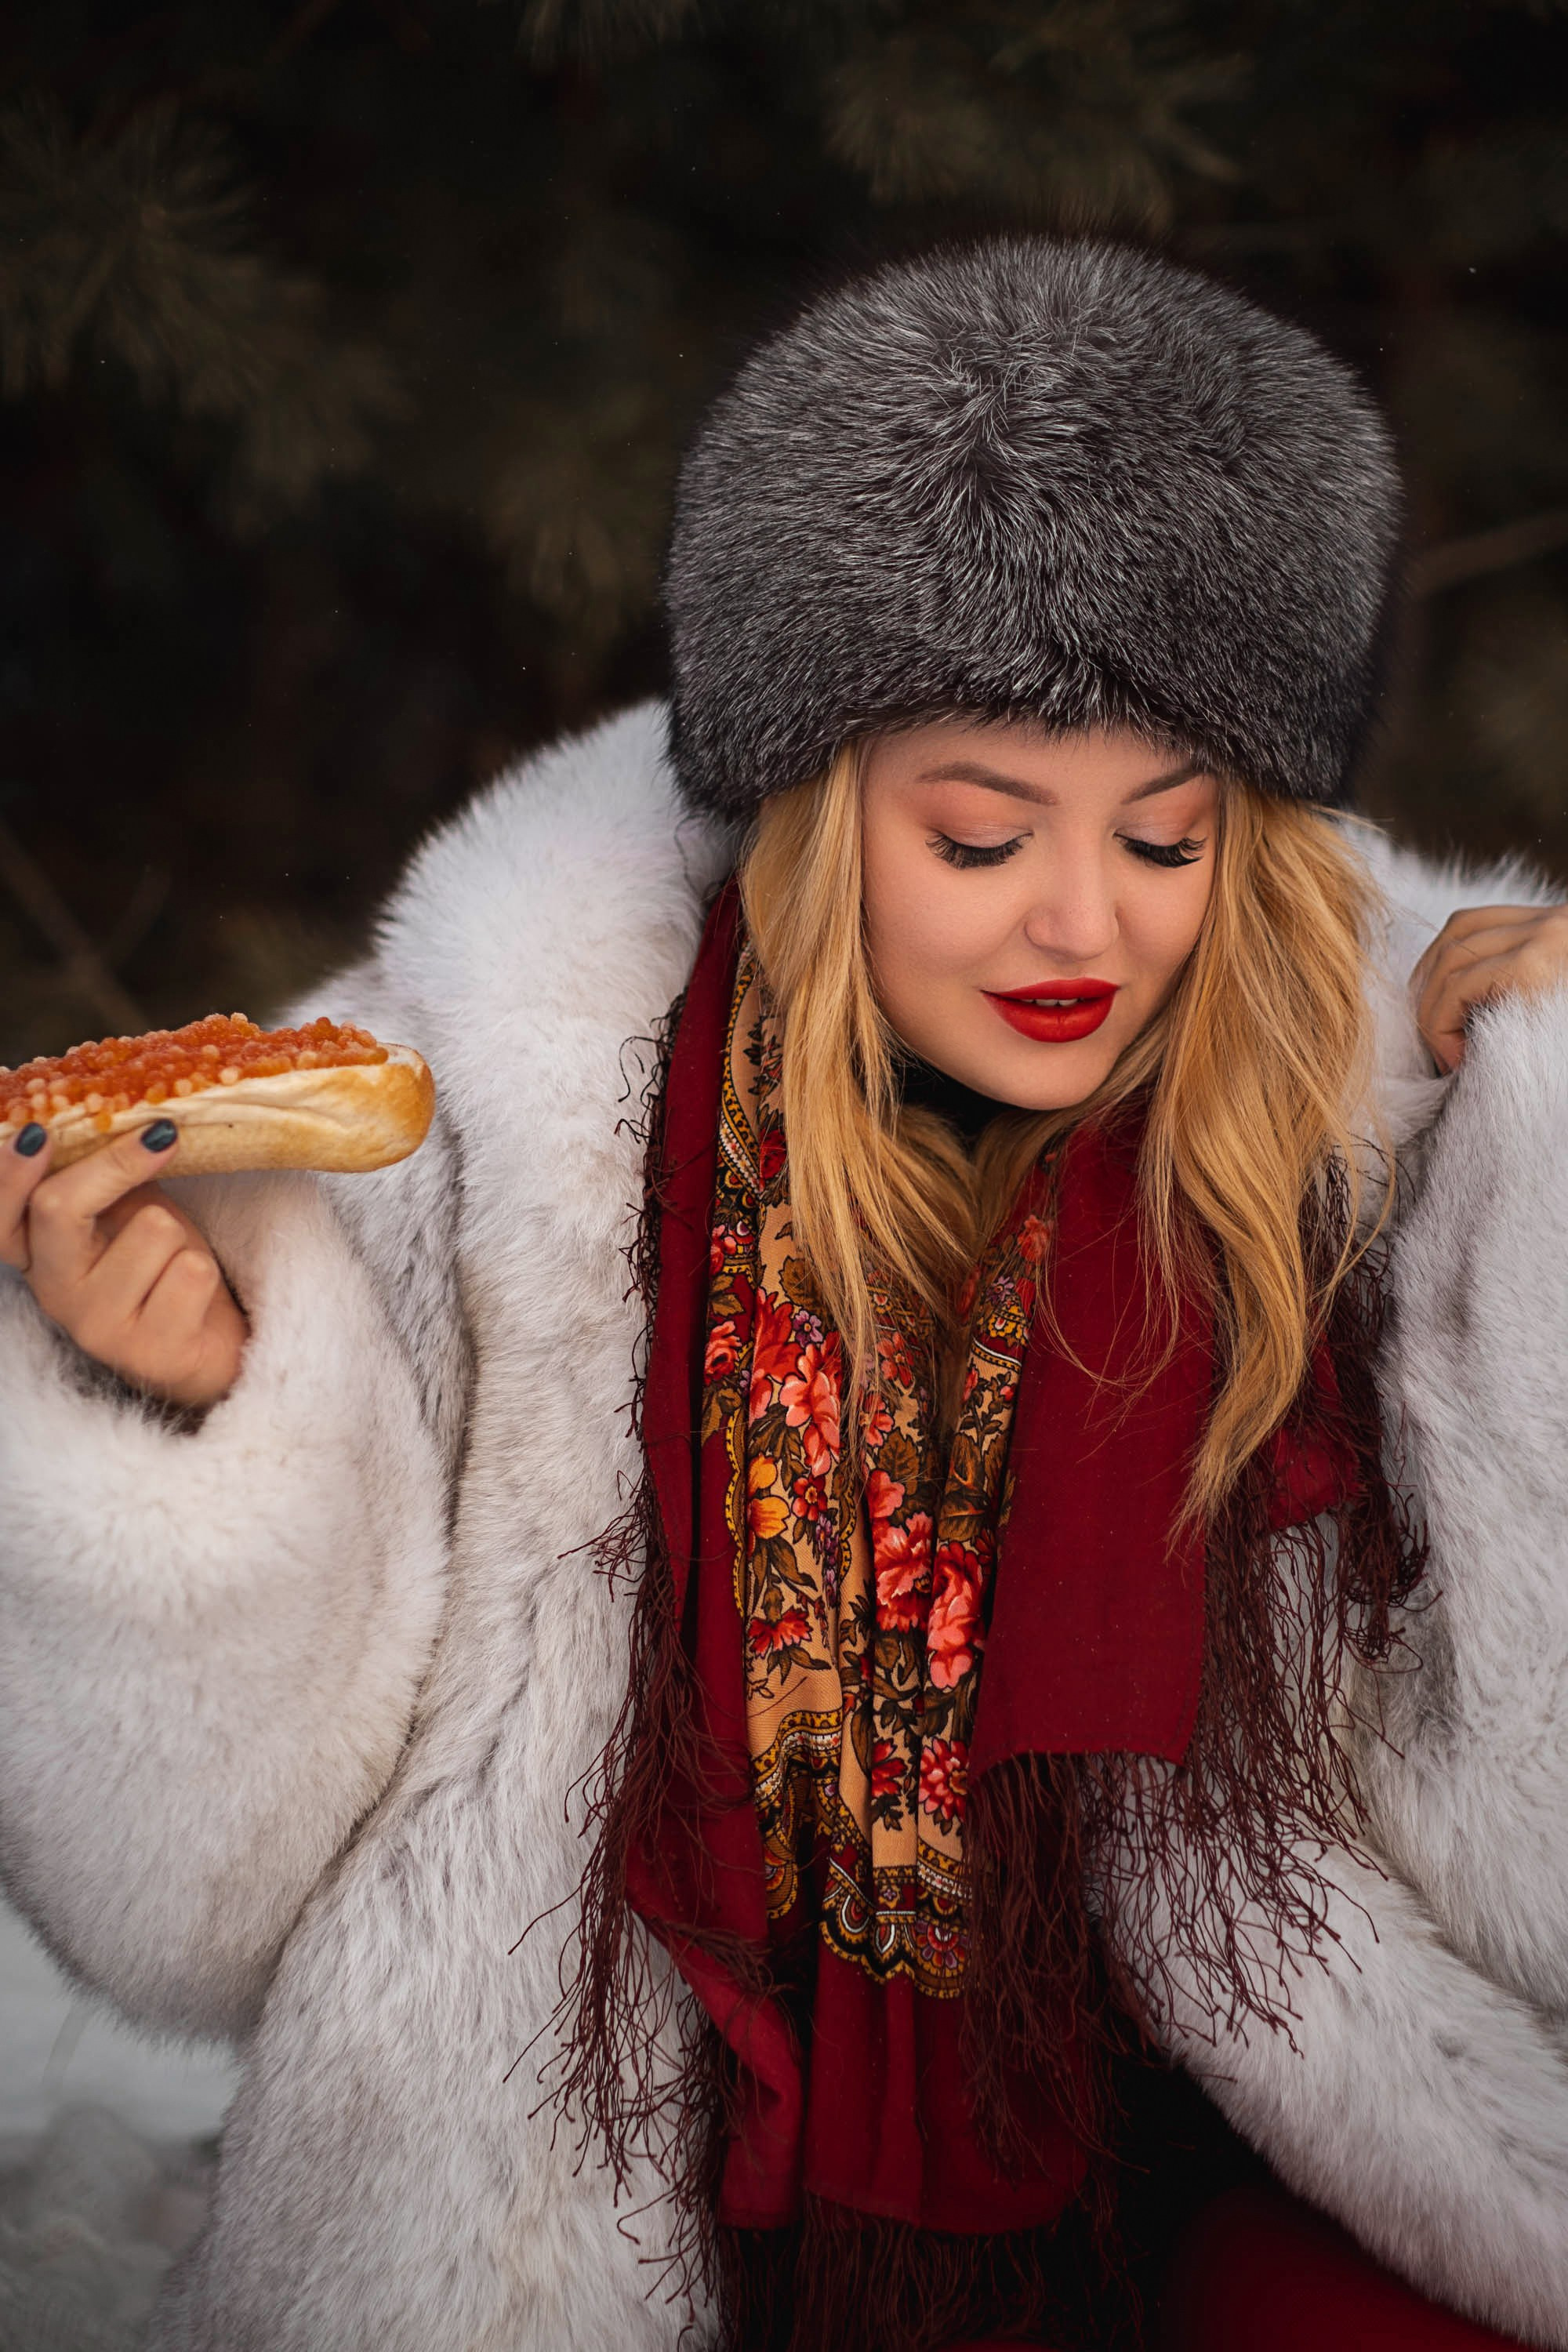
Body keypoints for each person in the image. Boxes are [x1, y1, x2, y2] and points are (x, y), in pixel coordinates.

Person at [2, 238, 1568, 2352]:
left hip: (1238, 2127)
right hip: (620, 2188)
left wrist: (1545, 1177)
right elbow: (186, 1904)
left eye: (1166, 838)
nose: (1083, 923)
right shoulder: (481, 1106)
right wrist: (186, 1418)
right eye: (985, 832)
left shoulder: (1352, 1103)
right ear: (819, 813)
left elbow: (1526, 1857)